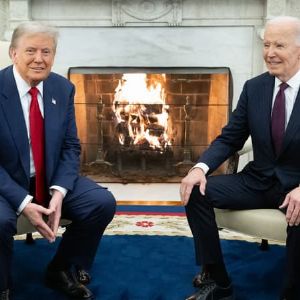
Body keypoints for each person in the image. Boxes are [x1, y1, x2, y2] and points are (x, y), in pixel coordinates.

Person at [180, 16, 300, 300]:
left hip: (297, 187)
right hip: (258, 180)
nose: (269, 52)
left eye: (279, 45)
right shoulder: (255, 87)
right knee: (197, 191)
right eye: (266, 44)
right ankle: (218, 279)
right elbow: (230, 137)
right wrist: (200, 168)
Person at [0, 22, 116, 300]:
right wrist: (23, 201)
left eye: (46, 51)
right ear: (13, 53)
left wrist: (60, 191)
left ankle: (60, 269)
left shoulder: (62, 88)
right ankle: (2, 286)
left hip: (48, 178)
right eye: (30, 50)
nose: (39, 59)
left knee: (101, 203)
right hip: (5, 183)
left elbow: (70, 145)